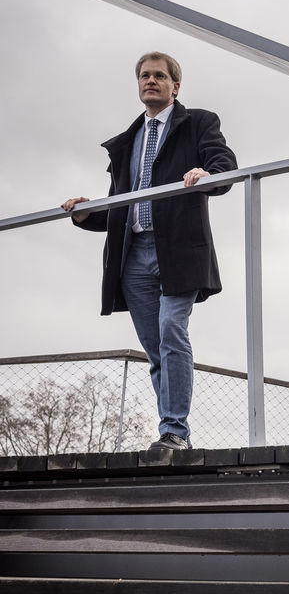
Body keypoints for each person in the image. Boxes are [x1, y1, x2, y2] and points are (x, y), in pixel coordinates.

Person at [62, 51, 237, 451]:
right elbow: (121, 208)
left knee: (172, 329)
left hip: (177, 248)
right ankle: (172, 432)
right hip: (134, 256)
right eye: (144, 75)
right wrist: (85, 213)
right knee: (156, 349)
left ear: (176, 86)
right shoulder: (128, 141)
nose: (151, 81)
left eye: (159, 75)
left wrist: (207, 174)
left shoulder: (198, 123)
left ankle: (175, 431)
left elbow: (225, 165)